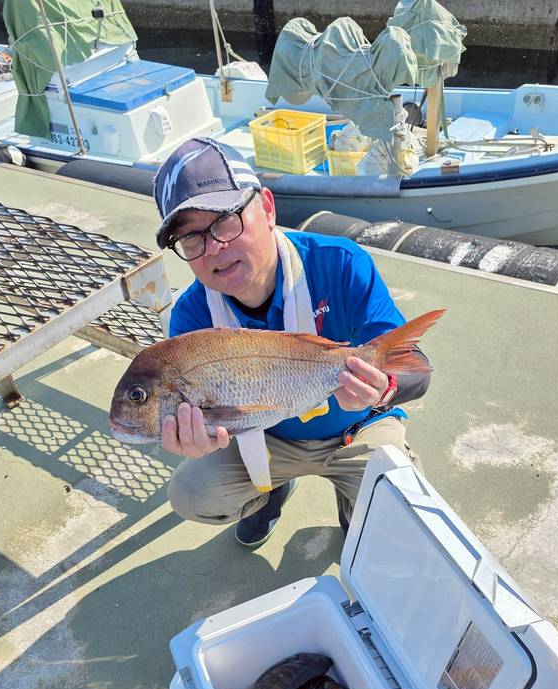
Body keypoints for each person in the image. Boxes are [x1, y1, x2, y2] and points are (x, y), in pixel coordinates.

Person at [153, 136, 430, 548]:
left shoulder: (340, 262)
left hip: (357, 427)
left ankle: (355, 501)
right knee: (192, 493)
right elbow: (204, 415)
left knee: (403, 517)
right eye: (191, 238)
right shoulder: (192, 319)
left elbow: (418, 372)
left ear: (267, 208)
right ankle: (268, 493)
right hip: (266, 438)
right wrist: (200, 439)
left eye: (225, 220)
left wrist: (381, 389)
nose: (214, 248)